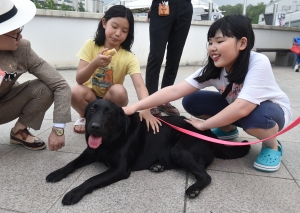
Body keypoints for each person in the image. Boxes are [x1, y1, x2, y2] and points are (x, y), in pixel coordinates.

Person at [123, 15, 292, 173]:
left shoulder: (258, 62)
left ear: (242, 43)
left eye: (219, 41)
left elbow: (243, 107)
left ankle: (272, 146)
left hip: (269, 113)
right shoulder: (214, 69)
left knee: (256, 119)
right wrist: (135, 107)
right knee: (192, 101)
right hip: (237, 108)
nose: (212, 48)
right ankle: (228, 129)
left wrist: (205, 125)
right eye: (210, 42)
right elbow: (175, 90)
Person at [72, 5, 158, 134]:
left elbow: (140, 86)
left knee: (119, 90)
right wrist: (95, 63)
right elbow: (79, 79)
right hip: (91, 99)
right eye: (114, 26)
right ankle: (86, 117)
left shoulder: (129, 57)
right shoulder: (91, 45)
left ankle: (107, 120)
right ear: (104, 23)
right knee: (75, 91)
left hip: (110, 101)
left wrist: (146, 109)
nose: (118, 34)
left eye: (124, 31)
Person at [0, 0, 71, 151]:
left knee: (44, 88)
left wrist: (58, 129)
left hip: (4, 104)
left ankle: (19, 131)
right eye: (14, 31)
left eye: (20, 28)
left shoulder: (22, 49)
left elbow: (60, 85)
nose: (20, 36)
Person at [145, 0, 193, 116]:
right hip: (163, 4)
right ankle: (150, 101)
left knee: (174, 58)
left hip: (185, 7)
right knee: (156, 56)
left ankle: (164, 100)